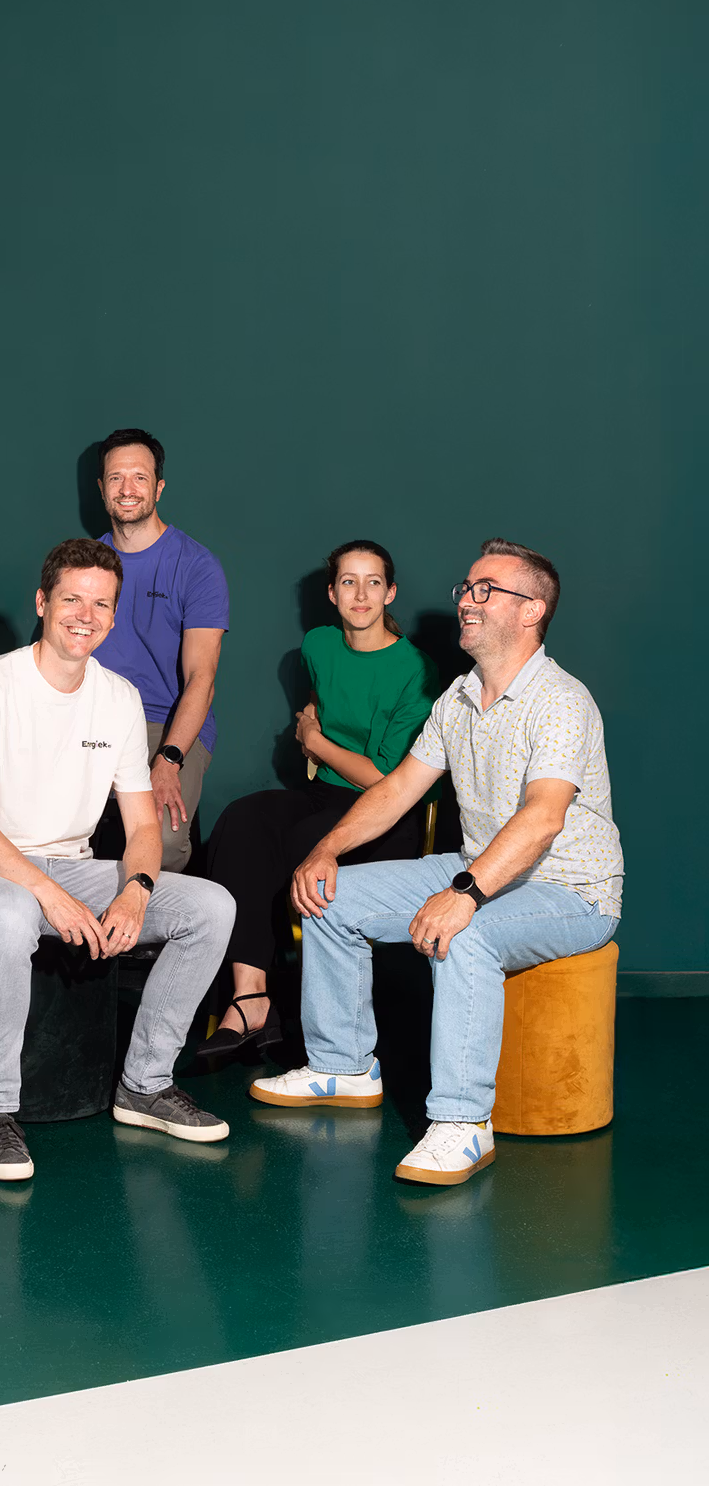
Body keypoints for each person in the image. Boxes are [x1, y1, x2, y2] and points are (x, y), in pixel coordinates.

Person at [251, 539, 623, 1187]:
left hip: (571, 889)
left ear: (531, 610)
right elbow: (398, 788)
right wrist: (325, 849)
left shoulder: (561, 700)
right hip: (480, 864)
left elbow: (543, 818)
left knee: (465, 931)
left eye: (486, 591)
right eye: (467, 588)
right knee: (332, 896)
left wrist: (466, 895)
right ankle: (342, 1064)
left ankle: (463, 1124)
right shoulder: (458, 696)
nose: (467, 601)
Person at [0, 537, 235, 1181]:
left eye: (101, 604)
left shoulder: (119, 698)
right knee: (12, 914)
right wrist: (49, 895)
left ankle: (145, 1084)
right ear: (43, 603)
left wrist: (136, 890)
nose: (85, 615)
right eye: (72, 599)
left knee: (211, 906)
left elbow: (143, 825)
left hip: (69, 865)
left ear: (114, 616)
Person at [200, 540, 437, 1059]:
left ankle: (312, 1019)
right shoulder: (317, 644)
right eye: (349, 582)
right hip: (324, 793)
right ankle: (250, 999)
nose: (361, 594)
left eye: (373, 583)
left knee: (298, 844)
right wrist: (312, 719)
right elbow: (322, 699)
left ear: (390, 593)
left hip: (386, 814)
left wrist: (315, 741)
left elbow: (385, 777)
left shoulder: (416, 670)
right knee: (242, 821)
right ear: (332, 593)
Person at [92, 427, 229, 873]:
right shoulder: (85, 563)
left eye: (140, 477)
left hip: (163, 724)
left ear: (159, 487)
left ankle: (151, 917)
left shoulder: (196, 566)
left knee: (162, 842)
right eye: (116, 478)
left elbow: (202, 679)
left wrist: (169, 759)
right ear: (102, 488)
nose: (127, 489)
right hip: (92, 717)